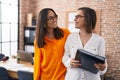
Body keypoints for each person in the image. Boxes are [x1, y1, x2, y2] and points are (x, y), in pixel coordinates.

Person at [62, 7, 107, 80]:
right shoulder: (71, 37)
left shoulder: (100, 40)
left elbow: (103, 61)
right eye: (75, 17)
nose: (74, 19)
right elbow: (65, 57)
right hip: (73, 77)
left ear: (87, 19)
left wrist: (103, 67)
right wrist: (70, 62)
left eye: (78, 17)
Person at [34, 8, 70, 80]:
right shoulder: (38, 40)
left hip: (63, 77)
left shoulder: (66, 33)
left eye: (55, 16)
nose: (54, 19)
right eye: (50, 18)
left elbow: (74, 50)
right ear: (43, 22)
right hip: (45, 77)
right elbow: (37, 62)